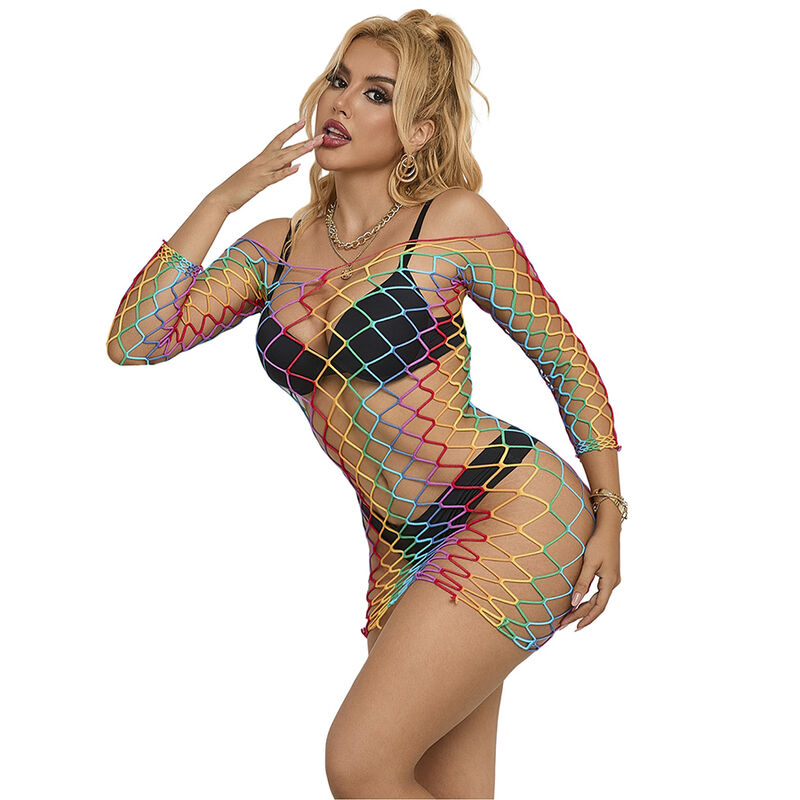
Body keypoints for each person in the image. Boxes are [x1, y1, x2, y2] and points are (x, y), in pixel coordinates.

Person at [106, 10, 627, 799]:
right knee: (438, 786)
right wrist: (223, 198)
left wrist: (612, 513)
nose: (342, 103)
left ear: (419, 132)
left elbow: (567, 364)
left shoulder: (452, 223)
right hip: (396, 544)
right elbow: (137, 339)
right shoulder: (277, 246)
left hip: (510, 510)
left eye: (376, 93)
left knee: (360, 763)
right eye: (340, 81)